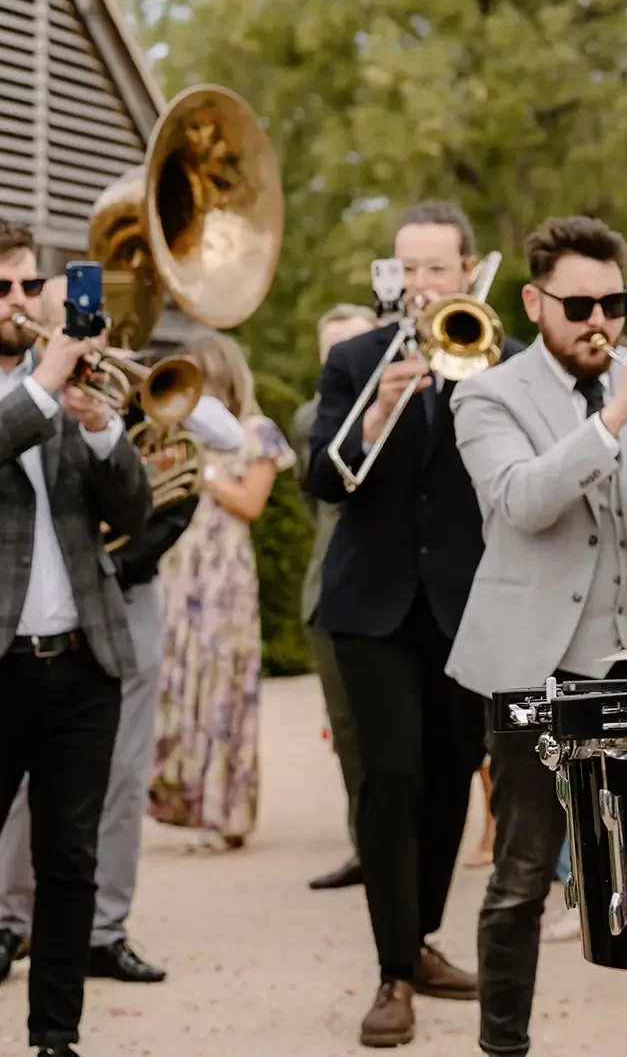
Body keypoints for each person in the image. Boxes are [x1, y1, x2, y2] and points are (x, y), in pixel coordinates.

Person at [448, 215, 627, 1057]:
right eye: (580, 305)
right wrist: (615, 420)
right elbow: (522, 500)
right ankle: (504, 1046)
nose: (600, 321)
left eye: (614, 302)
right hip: (537, 668)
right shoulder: (486, 394)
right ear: (534, 302)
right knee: (523, 871)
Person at [306, 201, 521, 1046]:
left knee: (451, 771)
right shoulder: (357, 358)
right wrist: (372, 412)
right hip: (372, 605)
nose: (421, 283)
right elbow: (321, 479)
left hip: (467, 604)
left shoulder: (499, 359)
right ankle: (393, 970)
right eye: (407, 269)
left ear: (468, 270)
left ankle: (421, 936)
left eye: (436, 268)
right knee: (389, 778)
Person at [0, 272, 246, 985]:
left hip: (109, 607)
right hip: (25, 627)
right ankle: (12, 921)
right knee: (23, 794)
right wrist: (51, 378)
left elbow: (212, 443)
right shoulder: (31, 381)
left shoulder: (103, 376)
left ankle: (101, 932)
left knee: (118, 781)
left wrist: (103, 407)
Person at [0, 218, 153, 1057]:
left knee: (69, 862)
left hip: (84, 660)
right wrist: (42, 389)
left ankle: (56, 1036)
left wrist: (98, 425)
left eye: (29, 285)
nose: (21, 302)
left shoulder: (63, 382)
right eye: (3, 288)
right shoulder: (33, 386)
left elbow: (131, 513)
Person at [147, 329, 295, 849]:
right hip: (179, 568)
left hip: (224, 576)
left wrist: (203, 468)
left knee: (221, 690)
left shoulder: (257, 432)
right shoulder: (173, 431)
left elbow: (250, 504)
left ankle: (223, 814)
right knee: (178, 684)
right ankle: (182, 804)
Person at [294, 303, 377, 891]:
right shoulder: (310, 418)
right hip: (334, 589)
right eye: (331, 351)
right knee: (351, 738)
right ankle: (367, 847)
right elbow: (317, 497)